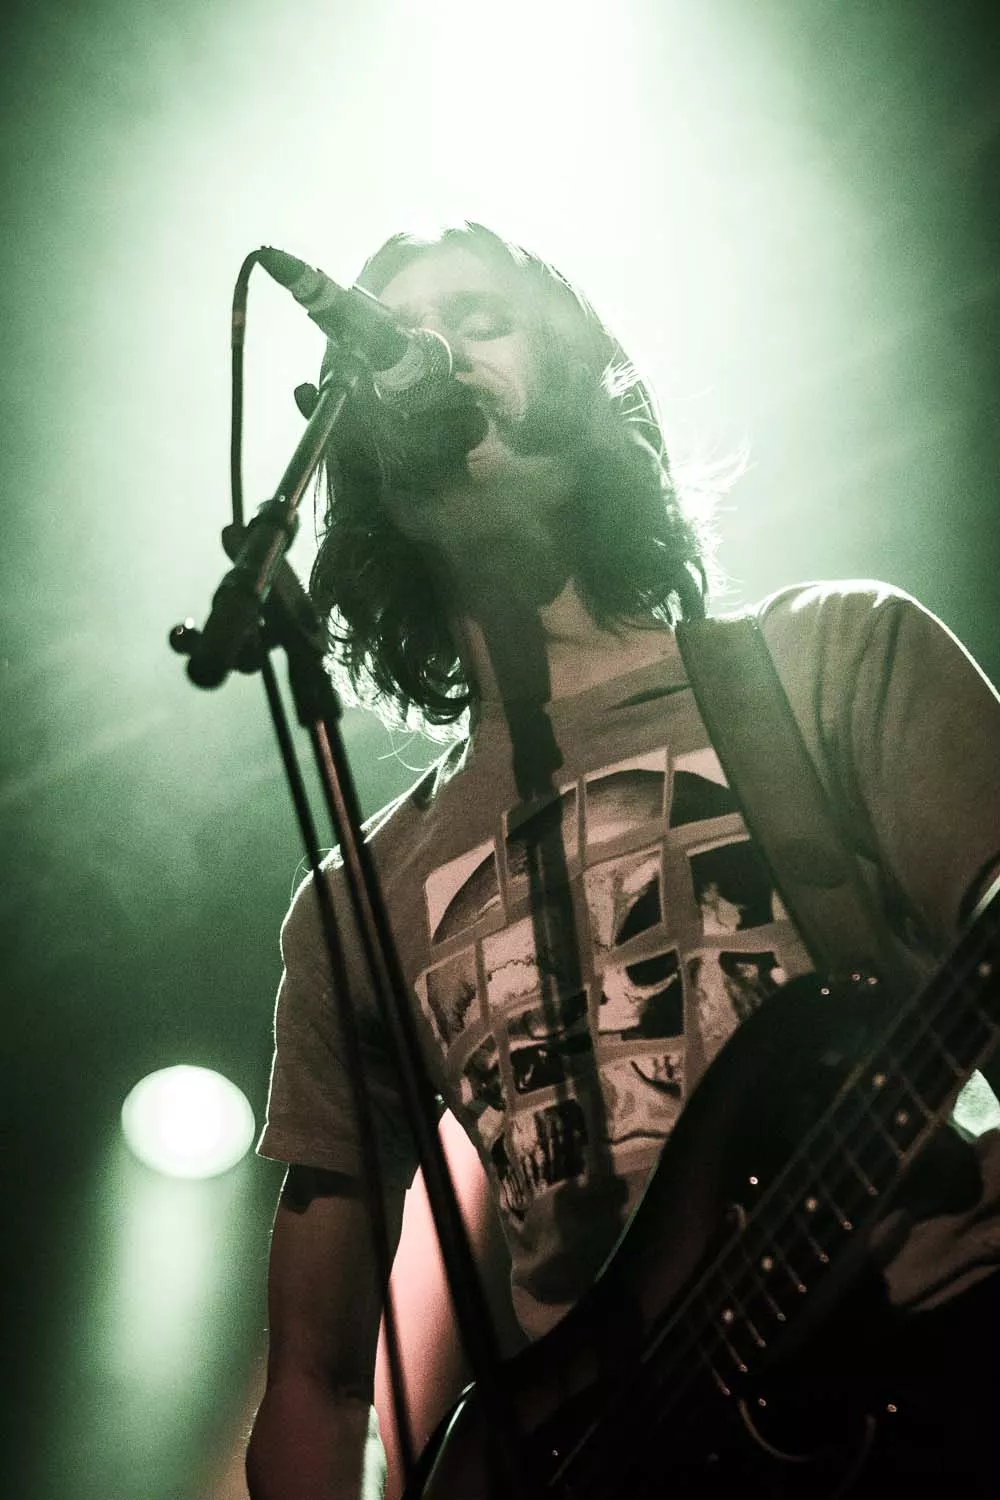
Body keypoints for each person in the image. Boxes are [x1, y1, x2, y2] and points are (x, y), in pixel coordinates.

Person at [245, 222, 1000, 1499]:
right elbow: (312, 1380)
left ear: (588, 380)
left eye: (478, 318)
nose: (427, 351)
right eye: (394, 334)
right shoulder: (353, 906)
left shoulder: (830, 660)